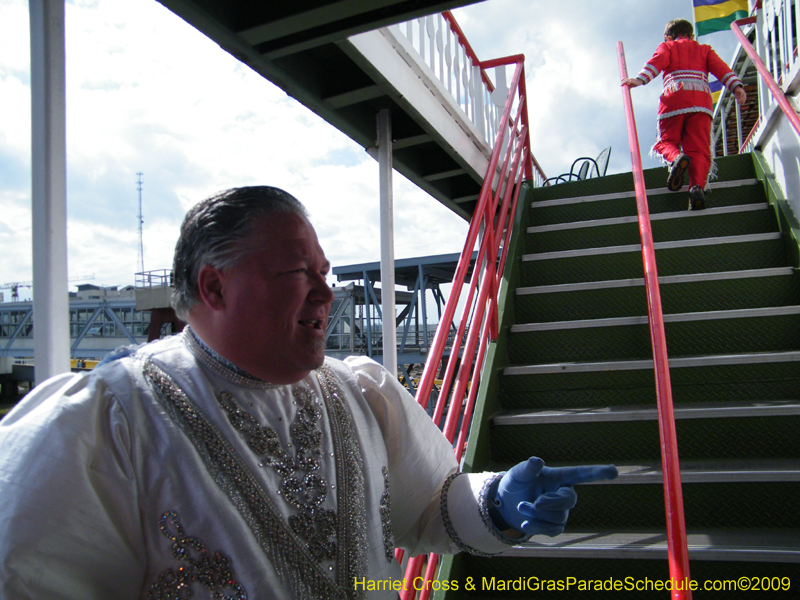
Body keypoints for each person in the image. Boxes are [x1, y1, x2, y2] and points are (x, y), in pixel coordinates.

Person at [0, 186, 617, 599]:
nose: (327, 294)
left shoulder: (360, 394)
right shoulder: (111, 418)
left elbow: (426, 510)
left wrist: (493, 502)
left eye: (323, 273)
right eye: (299, 274)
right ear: (213, 288)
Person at [622, 18, 747, 210]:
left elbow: (656, 62)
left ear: (667, 37)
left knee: (665, 141)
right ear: (691, 35)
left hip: (674, 98)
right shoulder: (705, 50)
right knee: (699, 149)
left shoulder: (668, 47)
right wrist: (736, 86)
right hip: (701, 102)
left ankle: (676, 158)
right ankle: (696, 188)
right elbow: (722, 69)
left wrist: (640, 80)